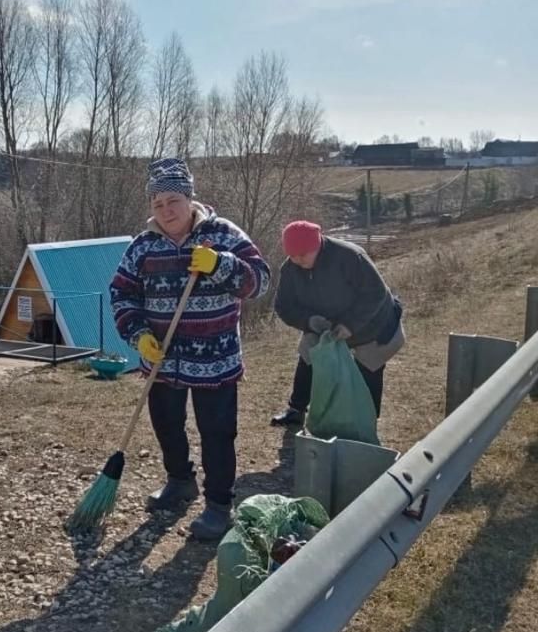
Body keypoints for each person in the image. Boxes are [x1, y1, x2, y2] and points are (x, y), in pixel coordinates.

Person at [110, 158, 271, 541]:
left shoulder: (224, 235)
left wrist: (222, 265)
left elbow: (260, 281)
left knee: (217, 432)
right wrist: (138, 335)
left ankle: (219, 505)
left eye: (173, 201)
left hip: (215, 360)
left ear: (189, 198)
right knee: (166, 424)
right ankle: (180, 481)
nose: (166, 211)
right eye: (157, 203)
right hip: (162, 359)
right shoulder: (142, 247)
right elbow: (121, 294)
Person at [271, 220, 405, 428]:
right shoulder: (290, 269)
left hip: (373, 322)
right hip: (326, 324)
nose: (298, 260)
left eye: (304, 254)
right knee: (308, 355)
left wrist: (350, 325)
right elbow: (283, 307)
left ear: (317, 245)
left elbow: (375, 293)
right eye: (293, 256)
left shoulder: (350, 256)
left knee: (369, 366)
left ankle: (367, 419)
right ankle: (296, 410)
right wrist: (309, 321)